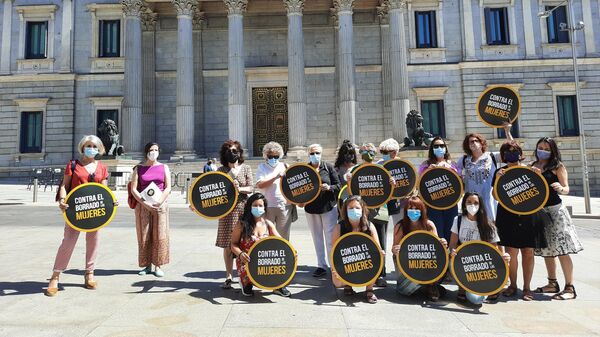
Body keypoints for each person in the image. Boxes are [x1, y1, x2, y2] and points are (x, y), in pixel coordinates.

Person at [45, 135, 114, 296]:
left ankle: (89, 273)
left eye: (95, 146)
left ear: (99, 149)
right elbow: (64, 185)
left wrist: (111, 202)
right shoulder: (73, 165)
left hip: (95, 210)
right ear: (82, 147)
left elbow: (104, 191)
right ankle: (55, 276)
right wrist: (62, 200)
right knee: (68, 242)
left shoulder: (102, 167)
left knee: (94, 241)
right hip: (75, 210)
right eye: (89, 145)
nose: (92, 148)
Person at [492, 141, 546, 301]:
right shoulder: (499, 171)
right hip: (508, 215)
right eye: (507, 152)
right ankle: (513, 285)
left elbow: (539, 191)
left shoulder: (529, 170)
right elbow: (495, 196)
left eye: (514, 152)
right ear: (503, 156)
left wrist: (538, 176)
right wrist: (497, 180)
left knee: (528, 251)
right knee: (511, 252)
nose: (511, 155)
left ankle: (527, 288)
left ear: (519, 154)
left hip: (529, 214)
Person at [531, 137, 583, 300]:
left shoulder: (557, 166)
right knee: (547, 250)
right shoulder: (532, 166)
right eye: (540, 147)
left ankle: (569, 287)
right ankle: (552, 283)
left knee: (562, 249)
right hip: (540, 211)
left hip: (556, 211)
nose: (543, 150)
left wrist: (561, 188)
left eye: (547, 148)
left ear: (553, 150)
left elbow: (566, 188)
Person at [449, 192, 510, 305]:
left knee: (476, 300)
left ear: (480, 205)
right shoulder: (458, 220)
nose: (472, 205)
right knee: (451, 260)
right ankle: (462, 288)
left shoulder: (488, 225)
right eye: (469, 202)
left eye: (476, 203)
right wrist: (452, 251)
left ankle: (490, 289)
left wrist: (504, 258)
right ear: (464, 204)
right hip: (463, 262)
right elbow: (452, 243)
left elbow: (495, 250)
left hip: (481, 264)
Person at [230, 193, 291, 297]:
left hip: (265, 260)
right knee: (248, 290)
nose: (257, 208)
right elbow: (233, 244)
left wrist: (292, 253)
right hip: (247, 260)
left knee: (278, 262)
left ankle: (278, 286)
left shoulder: (268, 224)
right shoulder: (241, 224)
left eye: (260, 205)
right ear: (249, 207)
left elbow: (282, 243)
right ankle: (246, 283)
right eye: (254, 205)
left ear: (264, 207)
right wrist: (240, 254)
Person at [391, 196, 447, 301]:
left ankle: (430, 285)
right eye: (411, 208)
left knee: (445, 256)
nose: (413, 211)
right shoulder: (400, 226)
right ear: (406, 210)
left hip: (425, 261)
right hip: (406, 261)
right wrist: (395, 249)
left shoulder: (429, 225)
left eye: (417, 209)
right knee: (406, 291)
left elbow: (437, 247)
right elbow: (393, 249)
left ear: (422, 210)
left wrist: (442, 243)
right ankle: (425, 286)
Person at [216, 140, 254, 290]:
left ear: (239, 152)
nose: (232, 153)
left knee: (244, 242)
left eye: (235, 150)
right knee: (227, 244)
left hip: (243, 209)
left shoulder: (246, 168)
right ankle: (228, 275)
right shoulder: (221, 170)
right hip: (227, 211)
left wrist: (240, 188)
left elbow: (251, 187)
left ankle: (243, 274)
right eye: (229, 151)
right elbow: (217, 190)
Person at [130, 142, 171, 277]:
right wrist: (144, 203)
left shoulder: (164, 167)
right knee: (144, 234)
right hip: (143, 205)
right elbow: (134, 188)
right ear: (146, 151)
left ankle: (158, 265)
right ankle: (146, 265)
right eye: (151, 150)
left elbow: (167, 187)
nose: (154, 152)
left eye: (156, 150)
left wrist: (159, 202)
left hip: (160, 205)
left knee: (159, 234)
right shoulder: (139, 169)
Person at [331, 195, 382, 303]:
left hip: (366, 261)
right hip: (347, 261)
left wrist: (381, 253)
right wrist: (336, 269)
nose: (354, 210)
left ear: (362, 210)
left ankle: (369, 289)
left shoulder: (369, 226)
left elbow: (377, 248)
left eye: (357, 208)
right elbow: (334, 252)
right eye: (350, 208)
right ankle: (348, 284)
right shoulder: (339, 227)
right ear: (345, 210)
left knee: (378, 259)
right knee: (337, 282)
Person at [457, 124, 513, 220]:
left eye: (476, 141)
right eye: (471, 142)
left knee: (491, 229)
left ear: (481, 143)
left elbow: (512, 148)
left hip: (489, 201)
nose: (474, 143)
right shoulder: (464, 159)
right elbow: (454, 171)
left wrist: (507, 132)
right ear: (468, 145)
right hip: (471, 202)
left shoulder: (492, 156)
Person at [301, 144, 341, 277]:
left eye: (317, 153)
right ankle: (321, 266)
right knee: (316, 237)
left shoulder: (328, 167)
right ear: (308, 154)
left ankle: (333, 265)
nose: (314, 155)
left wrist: (329, 187)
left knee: (330, 237)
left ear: (321, 153)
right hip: (311, 208)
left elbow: (338, 185)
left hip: (328, 207)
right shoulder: (305, 169)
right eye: (312, 153)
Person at [418, 137, 461, 242]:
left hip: (450, 203)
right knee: (436, 232)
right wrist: (428, 170)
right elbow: (419, 185)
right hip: (433, 204)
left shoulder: (453, 164)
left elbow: (459, 182)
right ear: (432, 149)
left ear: (446, 148)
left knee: (451, 231)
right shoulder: (425, 165)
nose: (439, 148)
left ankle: (450, 255)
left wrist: (449, 169)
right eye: (436, 146)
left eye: (442, 146)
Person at [256, 141, 294, 240]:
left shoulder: (285, 166)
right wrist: (275, 177)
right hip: (268, 206)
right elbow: (260, 185)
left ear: (280, 156)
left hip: (284, 205)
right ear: (265, 156)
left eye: (276, 156)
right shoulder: (262, 167)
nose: (273, 158)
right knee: (267, 236)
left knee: (283, 236)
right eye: (270, 156)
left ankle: (285, 254)